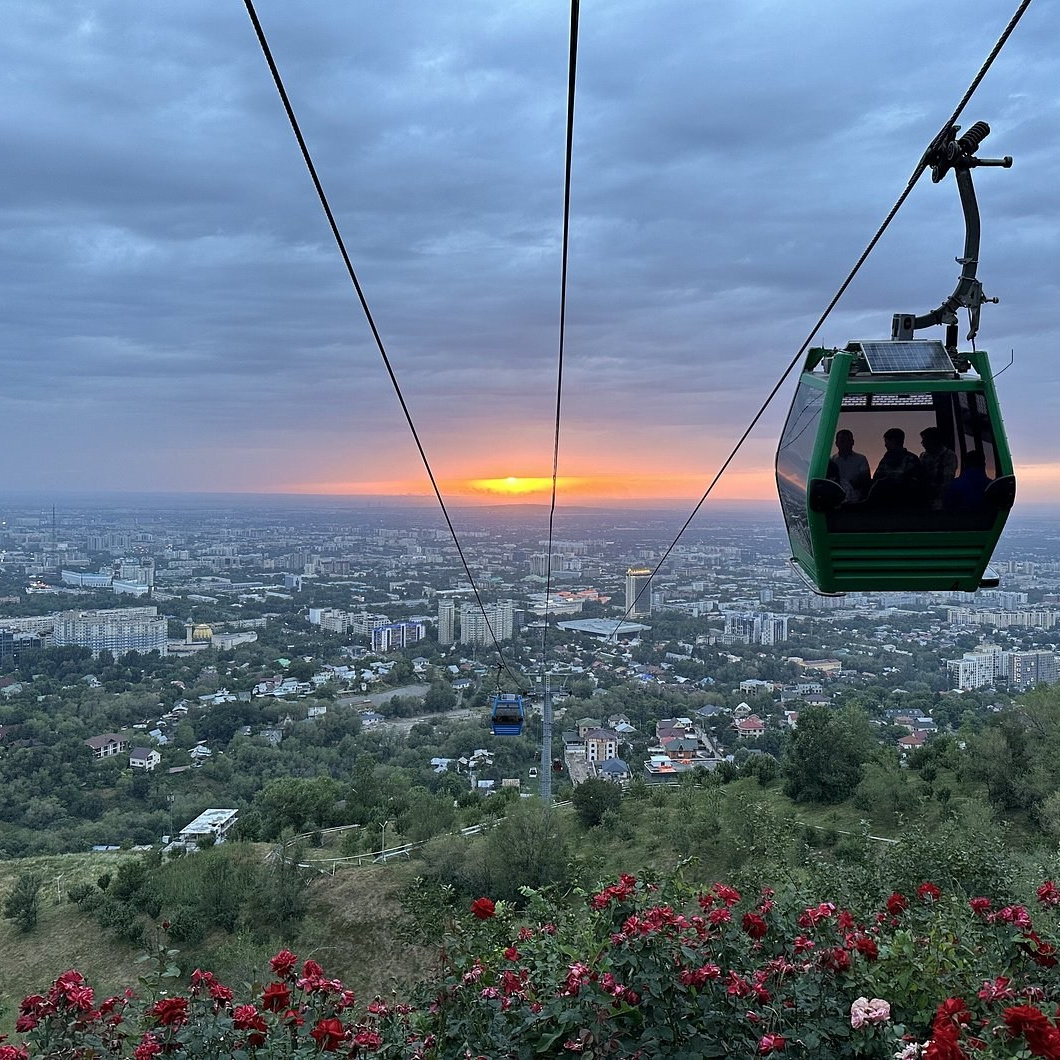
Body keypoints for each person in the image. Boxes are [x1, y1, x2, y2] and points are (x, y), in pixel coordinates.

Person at [870, 427, 923, 506]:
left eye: (886, 441)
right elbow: (877, 478)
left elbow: (913, 480)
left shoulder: (910, 458)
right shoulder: (885, 459)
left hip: (903, 496)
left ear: (893, 441)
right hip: (885, 496)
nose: (885, 445)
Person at [826, 429, 871, 503]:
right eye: (842, 441)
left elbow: (866, 478)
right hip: (835, 501)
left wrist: (853, 484)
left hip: (857, 501)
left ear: (852, 442)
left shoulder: (861, 459)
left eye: (848, 441)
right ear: (836, 443)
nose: (845, 444)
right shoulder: (832, 461)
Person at [919, 426, 958, 509]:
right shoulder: (923, 456)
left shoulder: (949, 456)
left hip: (941, 502)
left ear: (934, 441)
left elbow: (946, 482)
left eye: (925, 441)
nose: (923, 443)